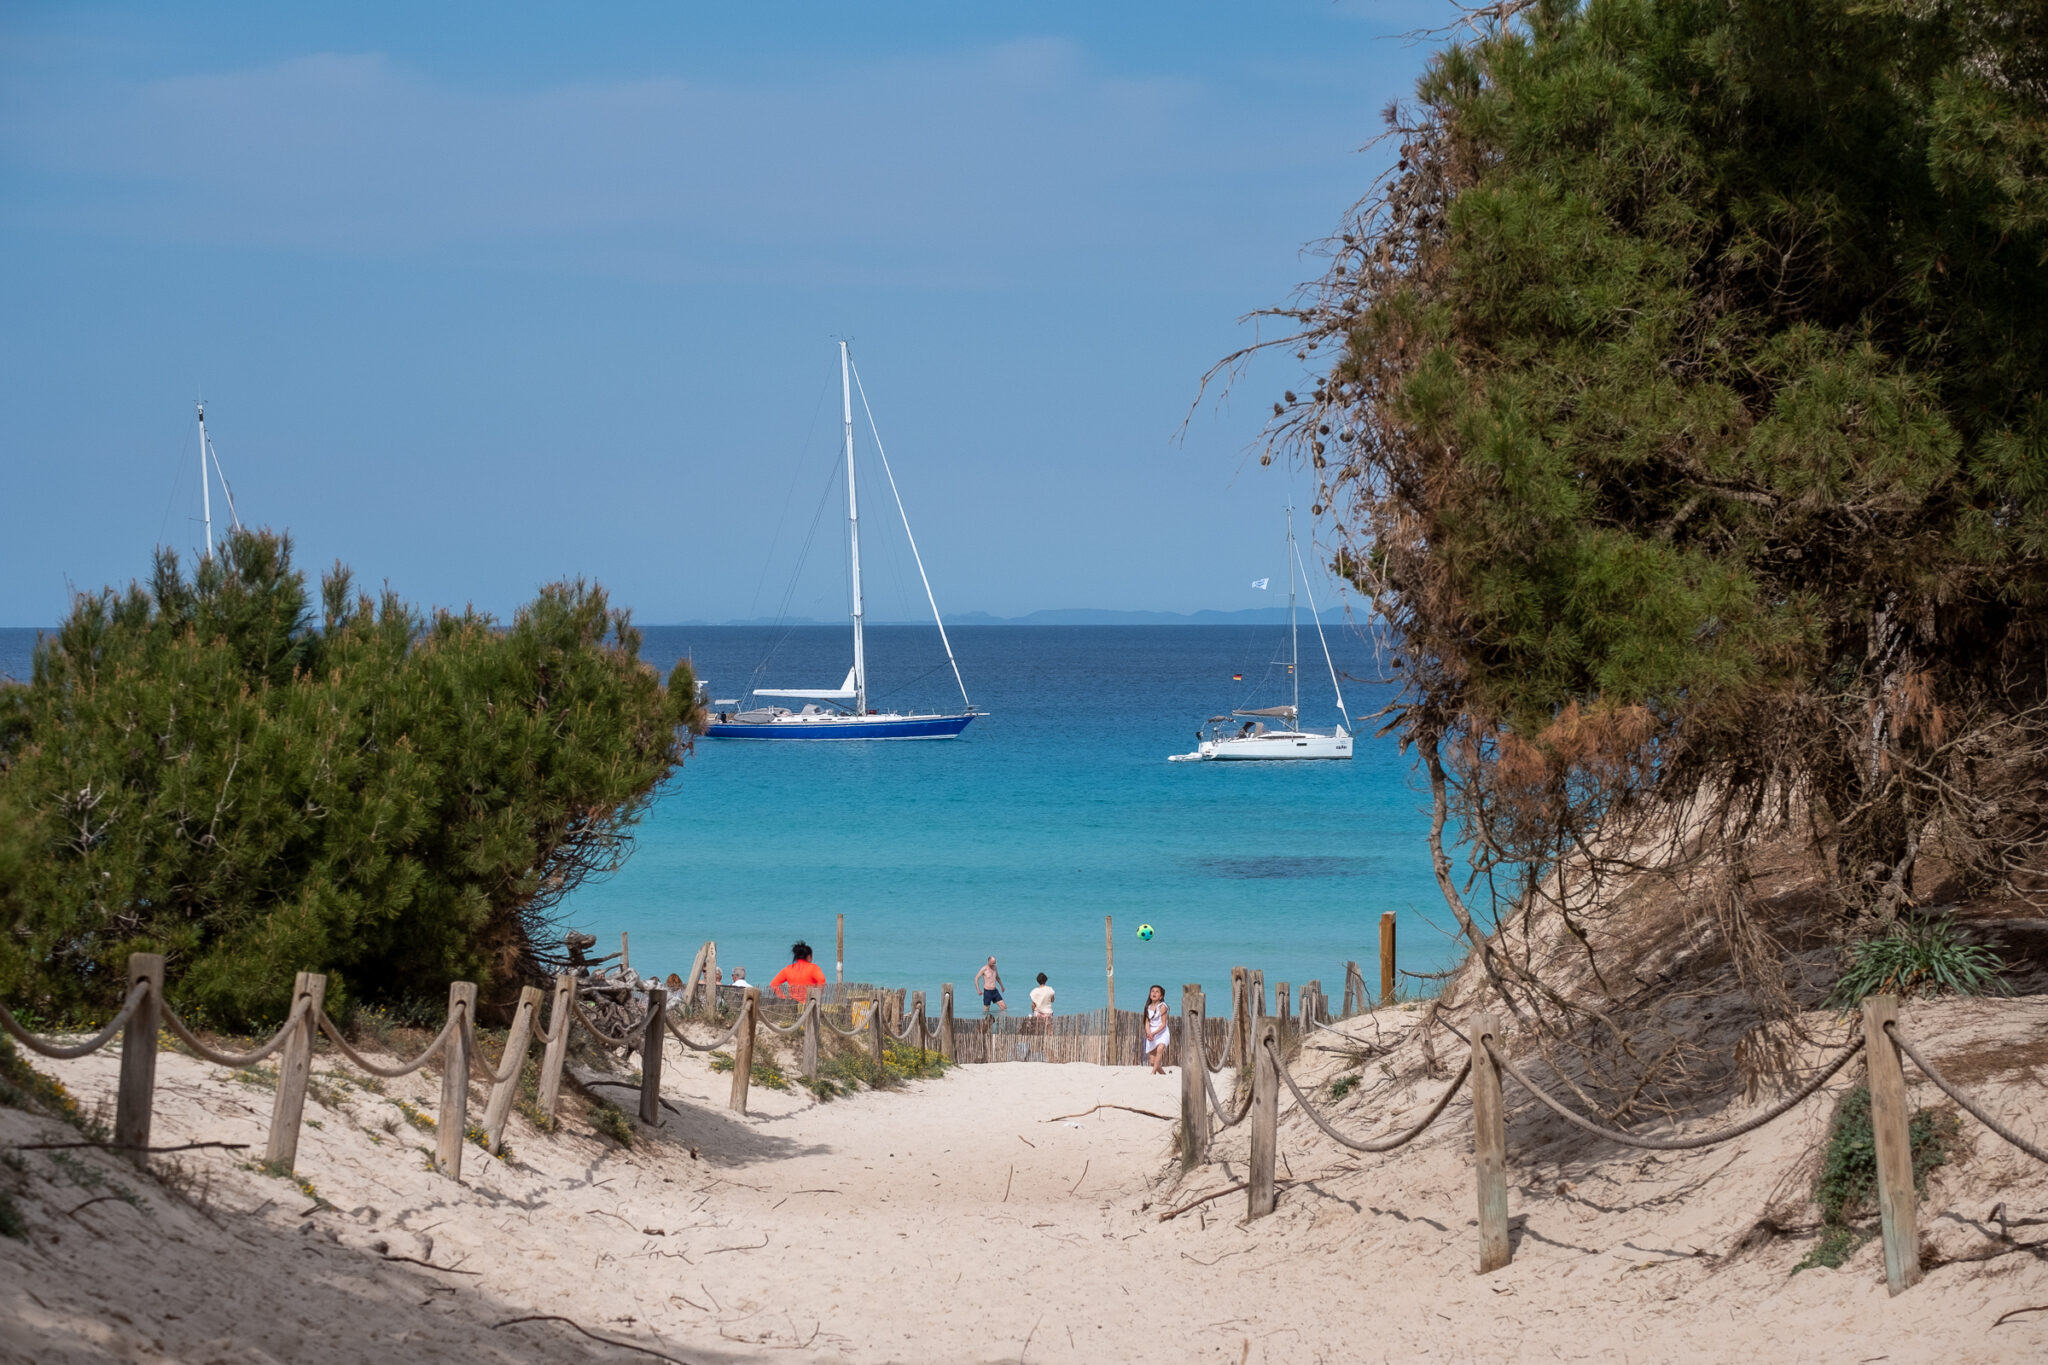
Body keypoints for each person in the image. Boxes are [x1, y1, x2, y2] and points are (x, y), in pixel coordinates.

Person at [1143, 983, 1171, 1075]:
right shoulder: (1148, 1007)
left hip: (1161, 1032)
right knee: (1152, 1062)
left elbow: (1163, 1024)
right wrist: (1149, 1033)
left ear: (1161, 996)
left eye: (1157, 992)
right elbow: (1147, 1023)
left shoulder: (1163, 1006)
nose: (1154, 993)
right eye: (1152, 991)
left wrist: (1154, 1033)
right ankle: (1163, 1074)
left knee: (1160, 1049)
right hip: (1151, 1033)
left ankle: (1153, 1073)